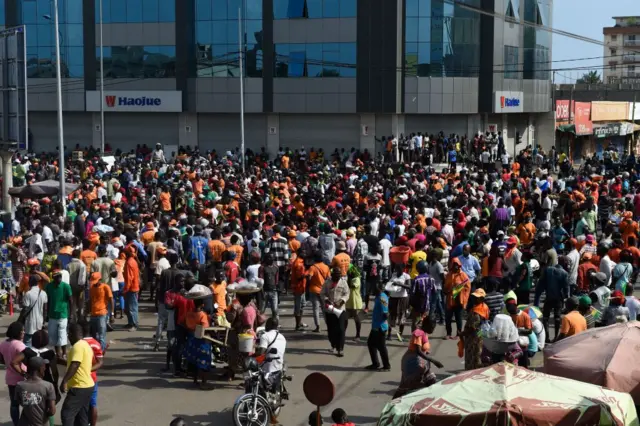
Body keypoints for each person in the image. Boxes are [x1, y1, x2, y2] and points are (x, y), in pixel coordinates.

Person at [392, 316, 444, 399]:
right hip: (412, 363)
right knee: (405, 387)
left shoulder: (424, 333)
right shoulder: (418, 334)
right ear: (426, 325)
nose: (433, 330)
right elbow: (418, 351)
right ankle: (393, 405)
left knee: (431, 380)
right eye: (432, 327)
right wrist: (433, 361)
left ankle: (429, 402)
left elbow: (424, 350)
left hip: (422, 362)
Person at [59, 323, 95, 426]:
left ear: (70, 334)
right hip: (88, 386)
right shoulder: (85, 345)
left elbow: (75, 364)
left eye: (68, 334)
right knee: (81, 415)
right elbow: (79, 363)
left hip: (79, 386)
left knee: (67, 414)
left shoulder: (77, 347)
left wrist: (64, 381)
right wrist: (62, 362)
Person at [15, 356, 57, 426]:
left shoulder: (20, 385)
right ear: (40, 369)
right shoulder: (48, 386)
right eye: (44, 366)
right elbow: (52, 411)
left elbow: (19, 402)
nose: (45, 368)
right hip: (41, 423)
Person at [0, 322, 26, 425]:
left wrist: (8, 361)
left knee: (14, 404)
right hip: (22, 378)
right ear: (19, 333)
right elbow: (26, 357)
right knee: (27, 403)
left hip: (10, 378)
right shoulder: (19, 345)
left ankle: (16, 423)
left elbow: (1, 360)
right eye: (22, 331)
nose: (24, 332)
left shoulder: (3, 343)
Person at [184, 297, 213, 390]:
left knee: (195, 360)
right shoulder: (202, 315)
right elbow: (205, 327)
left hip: (192, 339)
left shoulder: (189, 313)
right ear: (202, 305)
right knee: (205, 360)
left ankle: (195, 379)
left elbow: (186, 324)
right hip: (201, 340)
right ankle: (204, 383)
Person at [320, 267, 349, 357]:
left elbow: (347, 293)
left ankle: (340, 349)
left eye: (339, 275)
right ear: (332, 275)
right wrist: (326, 300)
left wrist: (342, 300)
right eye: (336, 275)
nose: (338, 276)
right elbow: (322, 293)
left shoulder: (343, 282)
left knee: (341, 329)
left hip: (340, 309)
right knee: (331, 330)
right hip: (330, 310)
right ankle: (333, 344)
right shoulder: (327, 282)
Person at [45, 270, 73, 360]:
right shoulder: (49, 286)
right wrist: (46, 313)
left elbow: (71, 301)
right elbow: (48, 301)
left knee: (62, 334)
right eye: (57, 277)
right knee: (53, 336)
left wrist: (71, 314)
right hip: (52, 315)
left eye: (60, 277)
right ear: (53, 278)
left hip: (63, 314)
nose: (59, 279)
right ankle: (58, 354)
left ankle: (64, 353)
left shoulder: (66, 286)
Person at [81, 321, 104, 426]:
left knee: (80, 404)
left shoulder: (79, 344)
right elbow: (100, 362)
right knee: (93, 404)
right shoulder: (96, 343)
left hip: (81, 379)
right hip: (93, 379)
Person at [462, 289, 489, 370]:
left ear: (482, 299)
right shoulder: (484, 307)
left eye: (477, 297)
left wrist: (462, 333)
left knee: (473, 357)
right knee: (479, 354)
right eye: (474, 297)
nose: (474, 299)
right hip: (480, 334)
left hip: (473, 338)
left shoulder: (476, 312)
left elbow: (472, 328)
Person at [443, 258, 470, 340]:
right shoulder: (449, 275)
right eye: (454, 265)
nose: (456, 267)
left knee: (458, 318)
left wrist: (460, 289)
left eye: (457, 265)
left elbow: (468, 287)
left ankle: (458, 334)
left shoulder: (463, 275)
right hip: (450, 299)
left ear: (459, 266)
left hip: (459, 300)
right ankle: (448, 333)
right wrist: (447, 290)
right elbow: (445, 286)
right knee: (448, 317)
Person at [365, 282, 390, 371]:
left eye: (375, 288)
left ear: (379, 289)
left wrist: (384, 318)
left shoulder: (382, 298)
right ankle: (375, 363)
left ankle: (386, 366)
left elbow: (385, 314)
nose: (373, 290)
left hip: (380, 327)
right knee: (371, 344)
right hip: (376, 326)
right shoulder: (378, 296)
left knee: (381, 347)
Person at [88, 272, 113, 352]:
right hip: (93, 314)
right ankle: (96, 351)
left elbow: (111, 300)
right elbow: (91, 300)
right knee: (94, 336)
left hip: (102, 314)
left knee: (101, 336)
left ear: (100, 280)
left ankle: (100, 353)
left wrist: (111, 313)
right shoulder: (92, 288)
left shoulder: (105, 287)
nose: (94, 283)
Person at [21, 275, 48, 347]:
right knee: (38, 341)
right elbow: (45, 309)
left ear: (30, 283)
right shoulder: (43, 293)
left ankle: (29, 357)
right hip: (40, 321)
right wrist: (44, 321)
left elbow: (25, 309)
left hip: (30, 322)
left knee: (27, 342)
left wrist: (21, 320)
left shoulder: (28, 294)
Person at [123, 246, 140, 331]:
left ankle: (134, 324)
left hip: (131, 288)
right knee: (129, 307)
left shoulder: (129, 262)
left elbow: (129, 278)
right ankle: (130, 323)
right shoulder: (133, 261)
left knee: (132, 307)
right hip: (133, 287)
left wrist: (126, 289)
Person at [345, 264, 363, 341]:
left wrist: (348, 278)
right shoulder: (348, 278)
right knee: (345, 318)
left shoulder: (356, 279)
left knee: (357, 319)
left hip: (355, 301)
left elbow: (352, 286)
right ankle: (343, 334)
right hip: (349, 301)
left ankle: (358, 335)